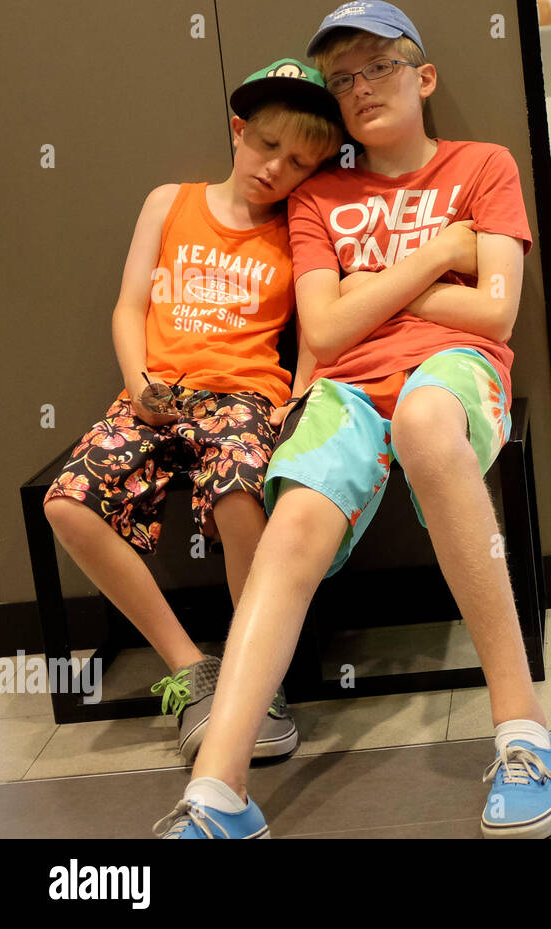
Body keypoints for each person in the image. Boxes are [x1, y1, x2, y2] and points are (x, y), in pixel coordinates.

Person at [153, 1, 551, 840]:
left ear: (424, 76)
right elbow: (328, 331)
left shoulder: (483, 166)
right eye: (342, 78)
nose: (359, 87)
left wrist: (367, 287)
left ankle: (525, 732)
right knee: (293, 516)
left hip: (453, 373)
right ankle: (219, 793)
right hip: (343, 387)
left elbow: (495, 315)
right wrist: (438, 255)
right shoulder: (321, 194)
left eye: (377, 66)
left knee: (422, 420)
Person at [42, 59, 344, 764]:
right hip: (155, 390)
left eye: (299, 161)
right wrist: (138, 381)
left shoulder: (297, 229)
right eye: (268, 144)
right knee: (67, 503)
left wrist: (298, 396)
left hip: (243, 395)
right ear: (239, 130)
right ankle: (191, 668)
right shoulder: (169, 202)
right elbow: (130, 306)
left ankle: (252, 670)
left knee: (241, 495)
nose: (277, 168)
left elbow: (319, 323)